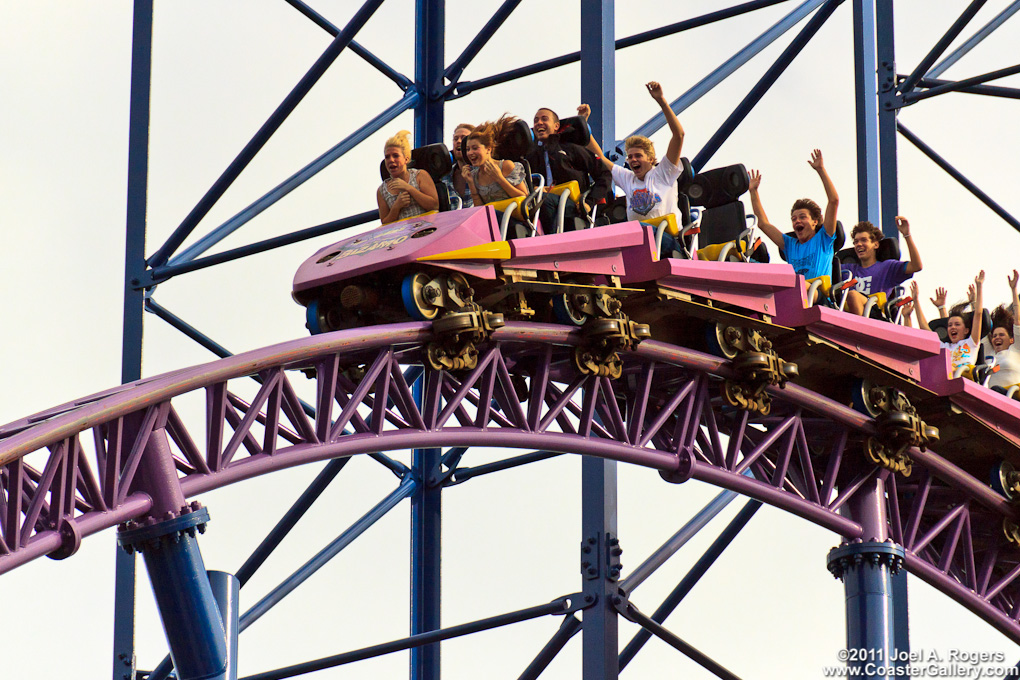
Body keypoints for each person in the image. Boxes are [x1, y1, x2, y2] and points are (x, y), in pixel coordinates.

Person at [582, 81, 685, 226]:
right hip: (640, 239)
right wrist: (583, 125)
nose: (633, 160)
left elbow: (678, 135)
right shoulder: (628, 178)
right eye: (630, 157)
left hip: (665, 237)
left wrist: (662, 101)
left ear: (650, 159)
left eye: (638, 155)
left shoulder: (663, 173)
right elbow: (601, 158)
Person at [748, 150, 839, 300]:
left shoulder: (824, 238)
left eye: (802, 217)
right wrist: (753, 192)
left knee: (798, 284)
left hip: (818, 296)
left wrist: (821, 170)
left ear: (815, 221)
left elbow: (834, 201)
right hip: (794, 295)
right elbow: (763, 224)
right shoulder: (790, 244)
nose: (797, 221)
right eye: (794, 219)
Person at [527, 107, 612, 230]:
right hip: (542, 205)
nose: (539, 123)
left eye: (544, 119)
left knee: (544, 200)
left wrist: (588, 202)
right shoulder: (531, 157)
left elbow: (604, 174)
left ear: (556, 126)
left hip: (573, 206)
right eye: (536, 121)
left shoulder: (571, 149)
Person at [841, 217, 922, 316]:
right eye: (856, 242)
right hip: (851, 315)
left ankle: (860, 328)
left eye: (863, 240)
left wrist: (907, 235)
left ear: (875, 244)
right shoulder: (849, 270)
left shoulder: (887, 267)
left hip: (876, 314)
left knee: (853, 295)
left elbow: (916, 266)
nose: (859, 244)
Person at [913, 272, 986, 375]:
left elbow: (978, 314)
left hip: (964, 377)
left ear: (966, 330)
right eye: (950, 325)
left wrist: (979, 287)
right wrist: (916, 300)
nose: (953, 327)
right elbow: (924, 327)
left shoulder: (971, 343)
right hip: (947, 378)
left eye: (957, 324)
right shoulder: (944, 347)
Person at [376, 130, 439, 225]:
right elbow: (385, 223)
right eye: (387, 157)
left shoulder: (419, 175)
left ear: (406, 159)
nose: (391, 160)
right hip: (401, 236)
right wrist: (396, 207)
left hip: (425, 229)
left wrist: (408, 188)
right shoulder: (382, 191)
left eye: (396, 156)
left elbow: (434, 206)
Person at [462, 115, 528, 206]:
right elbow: (480, 210)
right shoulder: (475, 176)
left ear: (488, 149)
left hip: (512, 217)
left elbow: (525, 199)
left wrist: (499, 178)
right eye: (468, 149)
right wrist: (471, 184)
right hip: (492, 218)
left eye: (475, 148)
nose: (470, 153)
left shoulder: (506, 166)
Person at [988, 270, 1020, 393]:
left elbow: (1017, 320)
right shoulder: (991, 357)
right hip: (994, 399)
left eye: (1001, 335)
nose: (997, 338)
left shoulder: (1015, 349)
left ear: (1011, 339)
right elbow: (981, 328)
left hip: (1013, 396)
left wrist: (1013, 290)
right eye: (995, 336)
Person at [440, 123, 475, 209]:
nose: (458, 141)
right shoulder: (444, 175)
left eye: (463, 138)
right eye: (455, 139)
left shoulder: (482, 171)